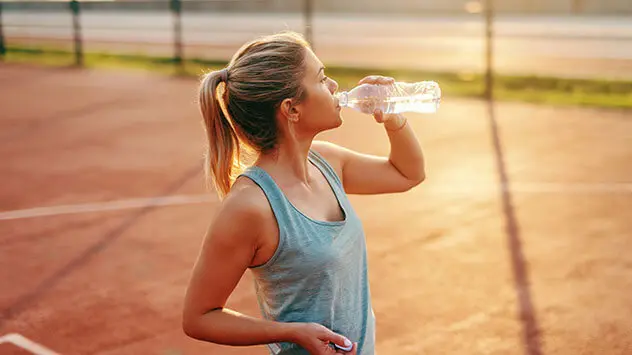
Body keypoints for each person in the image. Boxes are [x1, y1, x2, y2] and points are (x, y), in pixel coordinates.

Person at [182, 31, 426, 355]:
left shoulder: (328, 162)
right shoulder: (251, 207)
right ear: (292, 109)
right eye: (322, 79)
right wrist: (293, 333)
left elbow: (407, 173)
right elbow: (199, 317)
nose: (335, 86)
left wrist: (393, 118)